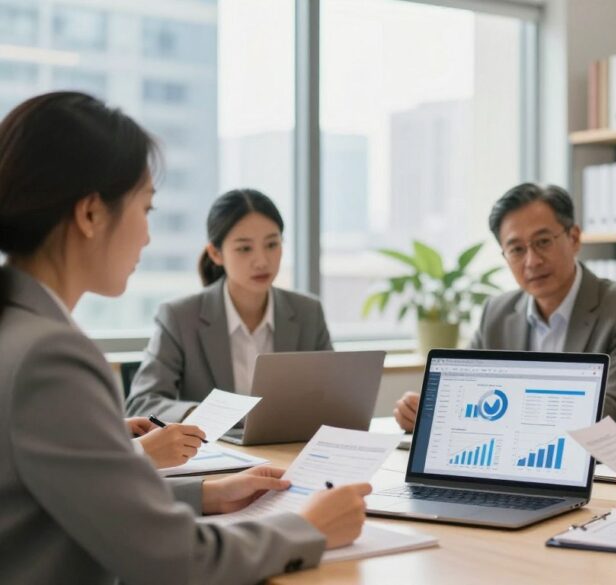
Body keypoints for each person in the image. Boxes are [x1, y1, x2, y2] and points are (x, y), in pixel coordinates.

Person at [0, 91, 370, 584]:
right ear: (91, 215)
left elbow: (79, 500)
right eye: (147, 209)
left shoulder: (17, 330)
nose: (148, 237)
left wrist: (207, 493)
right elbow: (170, 558)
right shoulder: (50, 356)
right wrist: (306, 528)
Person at [394, 183, 616, 430]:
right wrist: (424, 411)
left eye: (543, 242)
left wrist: (497, 411)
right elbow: (463, 394)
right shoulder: (496, 313)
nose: (532, 261)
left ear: (574, 238)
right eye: (517, 249)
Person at [125, 188, 332, 420]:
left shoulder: (308, 313)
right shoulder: (180, 317)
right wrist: (201, 415)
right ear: (216, 253)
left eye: (272, 245)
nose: (262, 261)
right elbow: (142, 403)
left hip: (288, 453)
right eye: (244, 248)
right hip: (214, 453)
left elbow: (334, 397)